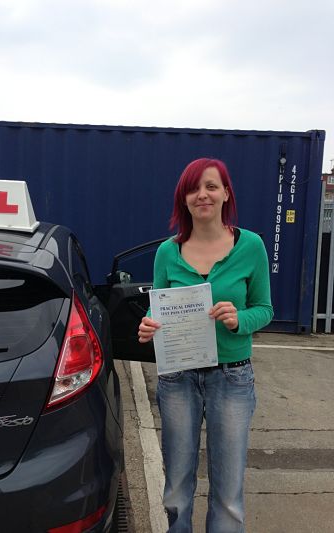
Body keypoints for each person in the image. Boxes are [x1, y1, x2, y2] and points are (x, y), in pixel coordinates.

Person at [138, 158, 273, 533]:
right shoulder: (168, 251)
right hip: (177, 379)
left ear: (226, 193)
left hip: (231, 379)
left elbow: (265, 309)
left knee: (228, 493)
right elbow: (159, 306)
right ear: (184, 199)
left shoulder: (251, 246)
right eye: (194, 189)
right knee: (177, 486)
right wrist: (149, 324)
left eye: (212, 186)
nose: (203, 195)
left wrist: (239, 319)